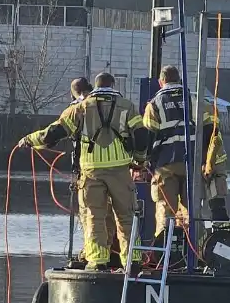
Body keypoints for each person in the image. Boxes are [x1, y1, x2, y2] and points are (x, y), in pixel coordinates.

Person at [20, 72, 145, 271]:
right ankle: (133, 262)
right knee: (127, 215)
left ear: (95, 87)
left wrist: (28, 140)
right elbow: (141, 134)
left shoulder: (80, 108)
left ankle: (97, 262)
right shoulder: (127, 106)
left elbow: (53, 133)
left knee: (93, 216)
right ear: (113, 86)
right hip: (120, 170)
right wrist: (140, 159)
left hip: (91, 172)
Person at [142, 65, 230, 248]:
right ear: (179, 80)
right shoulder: (196, 100)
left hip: (165, 164)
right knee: (193, 210)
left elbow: (147, 138)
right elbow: (211, 133)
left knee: (166, 209)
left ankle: (164, 253)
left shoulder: (154, 105)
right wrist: (207, 163)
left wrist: (142, 162)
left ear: (161, 82)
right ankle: (197, 251)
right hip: (192, 162)